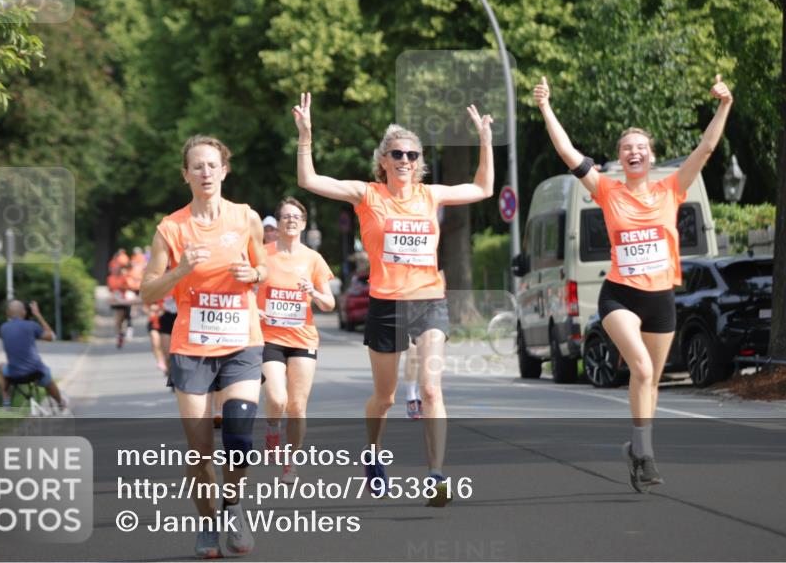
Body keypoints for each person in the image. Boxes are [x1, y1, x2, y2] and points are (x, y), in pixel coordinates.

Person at [534, 74, 733, 491]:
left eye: (640, 147)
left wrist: (723, 105)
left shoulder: (671, 188)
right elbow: (568, 153)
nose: (633, 152)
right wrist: (546, 107)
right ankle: (646, 456)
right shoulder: (607, 190)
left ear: (651, 156)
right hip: (620, 295)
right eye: (627, 148)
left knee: (651, 381)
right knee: (640, 366)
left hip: (661, 298)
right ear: (621, 158)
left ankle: (638, 449)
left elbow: (708, 148)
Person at [295, 92, 493, 505]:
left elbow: (483, 187)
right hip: (385, 304)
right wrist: (305, 138)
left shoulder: (430, 195)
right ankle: (373, 453)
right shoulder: (367, 195)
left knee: (432, 389)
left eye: (412, 155)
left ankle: (436, 475)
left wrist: (485, 140)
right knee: (384, 397)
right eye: (397, 154)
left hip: (429, 302)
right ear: (383, 160)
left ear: (419, 162)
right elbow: (309, 182)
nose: (405, 160)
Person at [140, 134, 269, 559]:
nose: (206, 172)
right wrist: (180, 270)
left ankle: (232, 505)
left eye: (212, 165)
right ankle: (208, 523)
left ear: (225, 170)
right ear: (186, 175)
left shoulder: (245, 218)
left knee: (239, 435)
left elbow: (262, 266)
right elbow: (146, 292)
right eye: (197, 166)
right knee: (200, 452)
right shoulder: (171, 228)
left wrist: (254, 275)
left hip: (241, 343)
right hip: (192, 349)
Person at [257, 197, 335, 483]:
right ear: (277, 223)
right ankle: (272, 426)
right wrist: (255, 308)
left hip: (302, 337)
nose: (291, 220)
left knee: (298, 406)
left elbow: (329, 303)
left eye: (296, 217)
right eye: (285, 216)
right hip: (269, 337)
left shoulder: (313, 259)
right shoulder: (262, 254)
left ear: (303, 223)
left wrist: (313, 291)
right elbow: (243, 290)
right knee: (278, 398)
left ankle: (290, 462)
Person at [0, 300, 67, 410]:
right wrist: (38, 315)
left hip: (14, 374)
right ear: (24, 312)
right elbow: (52, 337)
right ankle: (60, 403)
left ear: (8, 313)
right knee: (46, 374)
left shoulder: (3, 328)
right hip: (35, 373)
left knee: (0, 367)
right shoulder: (31, 325)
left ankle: (6, 403)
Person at [108, 264, 137, 348]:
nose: (115, 271)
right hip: (117, 301)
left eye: (117, 269)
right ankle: (120, 335)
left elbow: (131, 287)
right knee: (118, 320)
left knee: (126, 317)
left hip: (126, 300)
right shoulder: (110, 278)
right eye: (114, 269)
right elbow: (110, 289)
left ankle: (126, 331)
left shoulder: (126, 277)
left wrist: (123, 288)